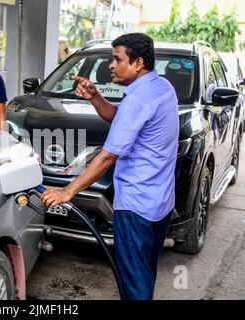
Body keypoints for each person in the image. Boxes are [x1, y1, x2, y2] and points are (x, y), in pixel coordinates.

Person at [41, 33, 179, 300]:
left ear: (138, 63)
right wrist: (96, 98)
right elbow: (122, 118)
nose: (111, 65)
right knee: (144, 274)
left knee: (134, 286)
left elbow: (107, 157)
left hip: (136, 207)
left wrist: (67, 192)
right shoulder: (162, 88)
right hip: (159, 204)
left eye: (117, 59)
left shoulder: (139, 98)